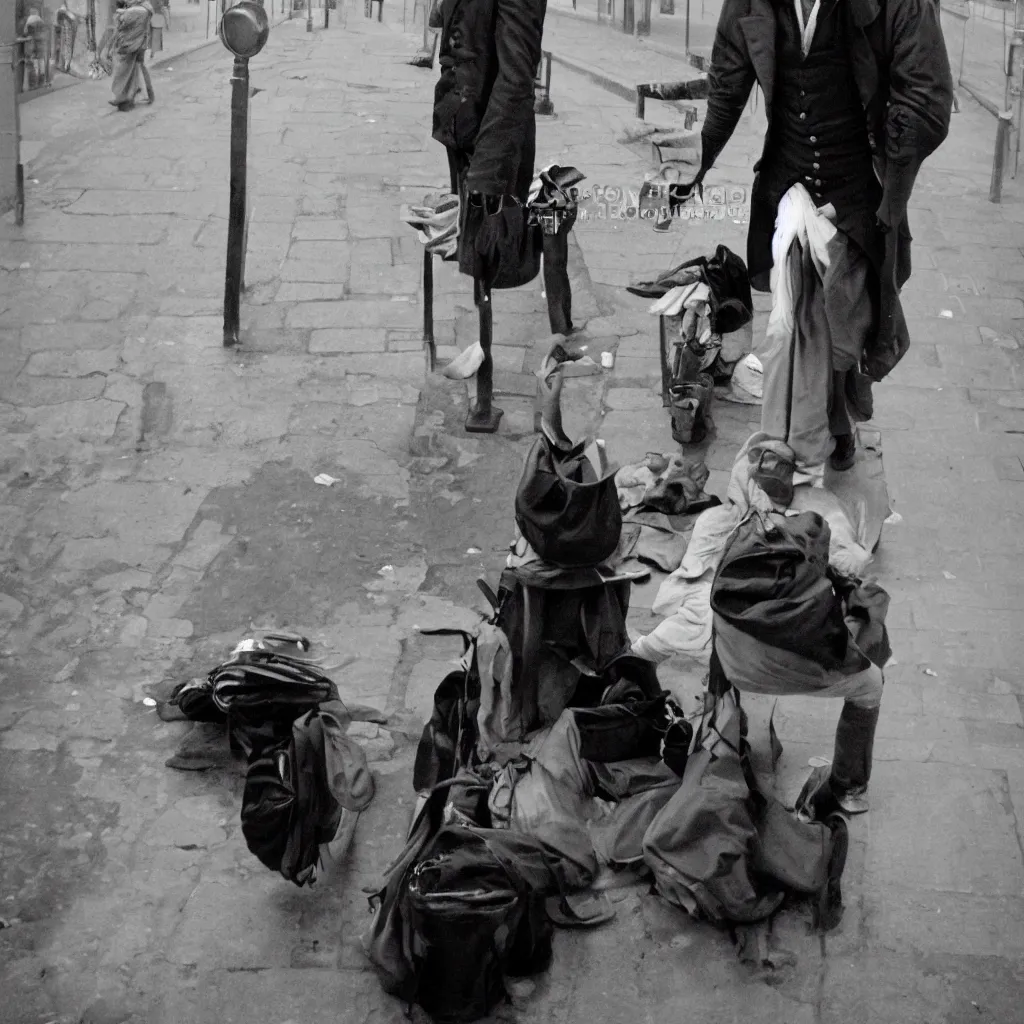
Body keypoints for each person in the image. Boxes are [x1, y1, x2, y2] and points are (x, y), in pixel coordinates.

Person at [681, 0, 953, 475]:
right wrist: (695, 166)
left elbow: (926, 100)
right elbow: (727, 84)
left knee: (846, 325)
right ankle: (802, 443)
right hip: (788, 184)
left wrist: (886, 161)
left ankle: (837, 422)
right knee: (798, 322)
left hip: (857, 192)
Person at [109, 0, 155, 112]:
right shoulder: (146, 8)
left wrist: (120, 14)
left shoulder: (137, 10)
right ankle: (145, 94)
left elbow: (123, 19)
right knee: (137, 69)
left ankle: (122, 97)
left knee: (124, 71)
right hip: (141, 43)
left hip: (131, 44)